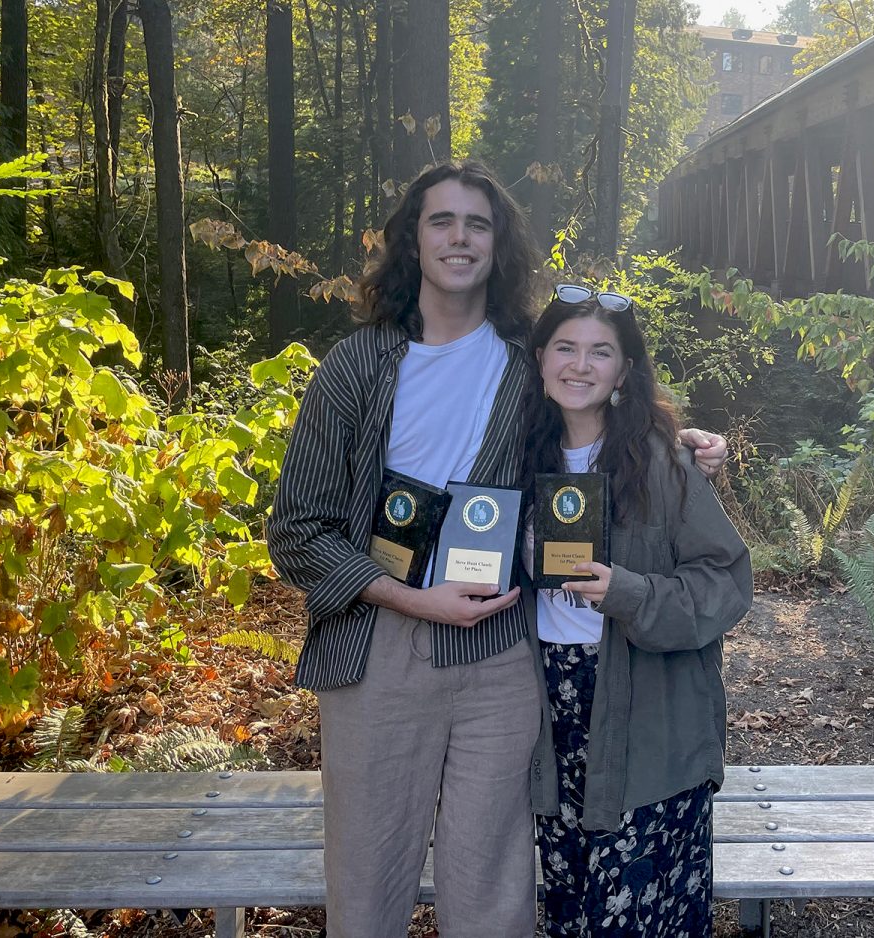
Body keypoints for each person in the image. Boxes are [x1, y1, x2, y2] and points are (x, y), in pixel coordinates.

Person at [267, 160, 726, 938]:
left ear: (498, 243)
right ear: (412, 240)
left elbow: (595, 416)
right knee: (367, 883)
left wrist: (674, 442)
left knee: (493, 890)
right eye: (440, 220)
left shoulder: (529, 361)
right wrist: (414, 599)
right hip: (379, 650)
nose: (458, 237)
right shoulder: (357, 367)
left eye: (477, 223)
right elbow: (297, 532)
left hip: (501, 654)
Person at [519, 286, 753, 937]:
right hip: (549, 713)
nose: (580, 364)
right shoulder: (513, 461)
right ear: (539, 358)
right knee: (569, 909)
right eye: (566, 347)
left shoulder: (663, 464)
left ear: (623, 372)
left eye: (601, 352)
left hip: (649, 721)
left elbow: (724, 581)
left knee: (635, 917)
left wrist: (626, 592)